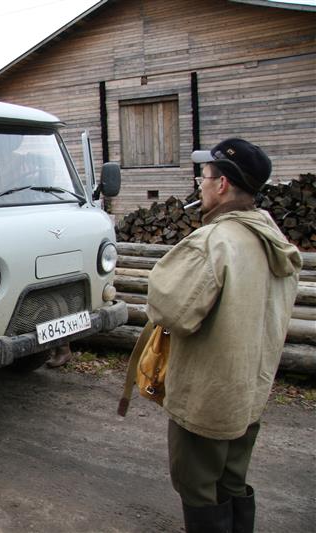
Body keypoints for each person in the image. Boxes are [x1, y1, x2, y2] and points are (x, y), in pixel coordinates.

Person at [146, 138, 301, 532]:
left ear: (222, 186)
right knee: (232, 480)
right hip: (248, 393)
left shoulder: (215, 242)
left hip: (208, 398)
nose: (200, 183)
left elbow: (170, 310)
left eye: (205, 175)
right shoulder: (274, 238)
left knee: (198, 486)